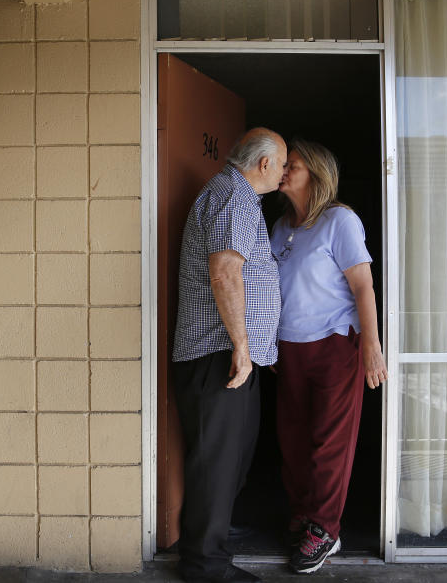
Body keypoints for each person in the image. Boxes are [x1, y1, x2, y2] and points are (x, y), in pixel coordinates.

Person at [172, 127, 287, 583]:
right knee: (216, 466)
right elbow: (224, 273)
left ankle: (212, 549)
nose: (283, 173)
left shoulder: (237, 197)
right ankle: (205, 568)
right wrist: (241, 346)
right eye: (282, 164)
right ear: (263, 165)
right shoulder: (232, 199)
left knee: (231, 462)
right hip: (218, 354)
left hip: (234, 355)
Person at [270, 139, 388, 574]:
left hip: (336, 345)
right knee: (293, 439)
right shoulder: (282, 226)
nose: (283, 170)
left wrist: (371, 347)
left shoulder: (340, 220)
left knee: (328, 441)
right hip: (291, 347)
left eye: (292, 165)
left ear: (316, 175)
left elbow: (363, 288)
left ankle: (325, 529)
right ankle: (304, 514)